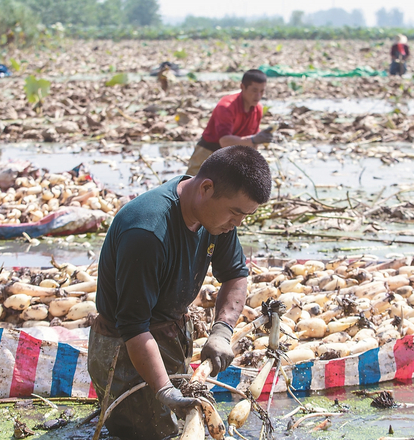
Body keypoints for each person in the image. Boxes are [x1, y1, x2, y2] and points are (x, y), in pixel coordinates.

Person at [89, 145, 272, 439]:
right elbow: (134, 327)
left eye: (245, 216)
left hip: (172, 333)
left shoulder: (217, 220)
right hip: (125, 347)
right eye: (235, 213)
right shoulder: (148, 233)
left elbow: (235, 275)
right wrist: (164, 390)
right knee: (149, 433)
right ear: (207, 188)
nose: (237, 224)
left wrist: (222, 331)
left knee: (185, 426)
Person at [186, 69, 274, 175]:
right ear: (242, 87)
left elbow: (252, 144)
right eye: (254, 91)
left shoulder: (258, 109)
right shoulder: (227, 106)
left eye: (262, 91)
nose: (258, 95)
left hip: (233, 155)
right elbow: (224, 141)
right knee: (192, 187)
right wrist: (254, 139)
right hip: (209, 152)